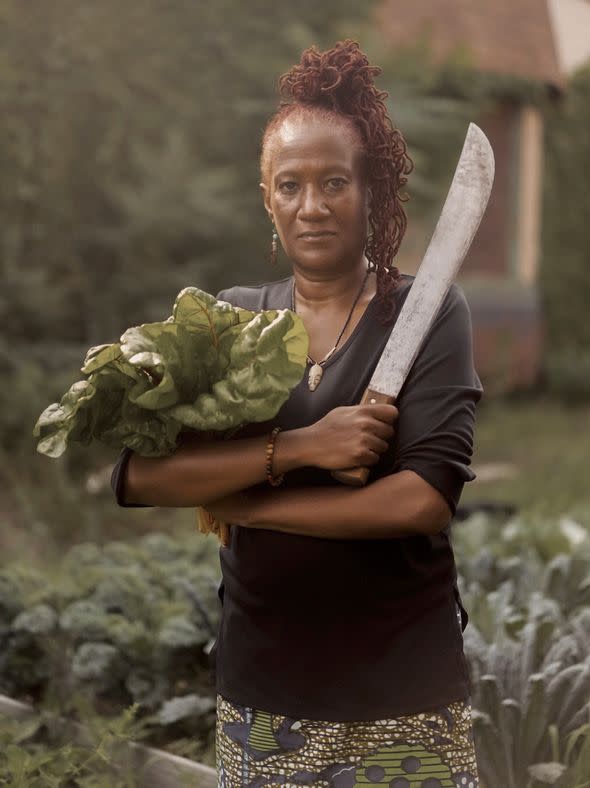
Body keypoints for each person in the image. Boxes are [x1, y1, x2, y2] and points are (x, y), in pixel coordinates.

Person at [111, 40, 483, 788]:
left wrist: (251, 506)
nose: (311, 206)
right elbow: (140, 476)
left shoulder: (425, 310)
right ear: (266, 197)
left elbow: (421, 499)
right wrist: (302, 447)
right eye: (290, 184)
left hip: (404, 698)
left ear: (370, 188)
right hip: (264, 701)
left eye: (334, 182)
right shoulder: (230, 322)